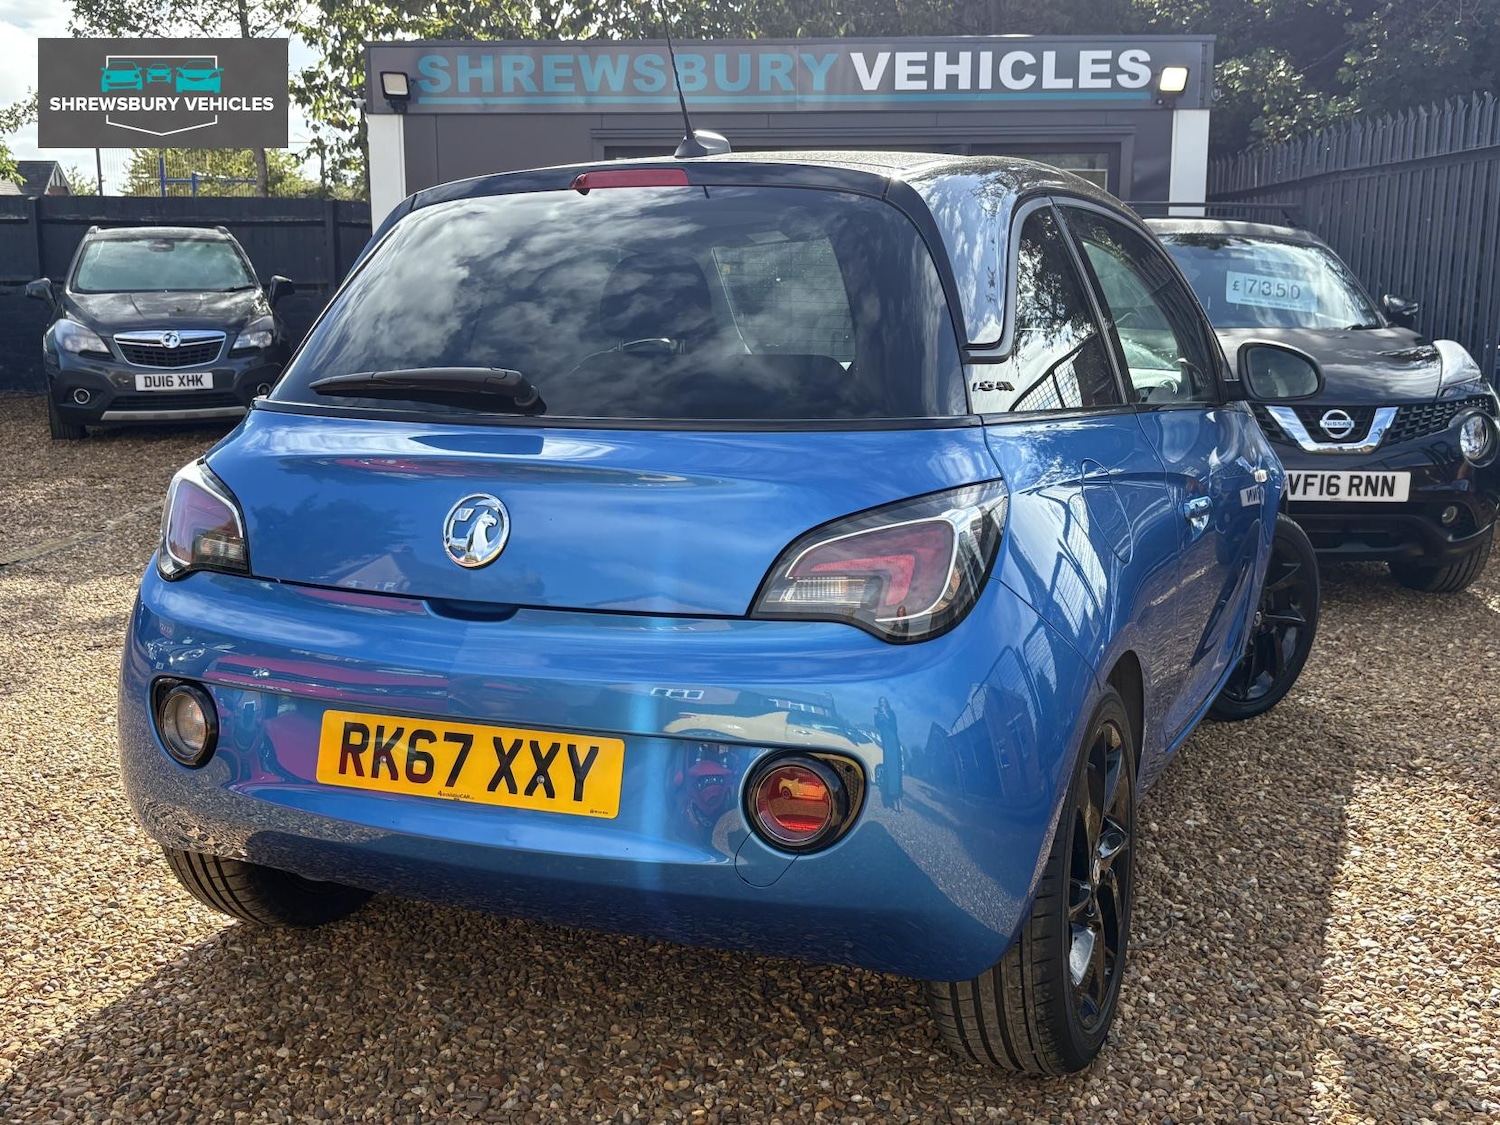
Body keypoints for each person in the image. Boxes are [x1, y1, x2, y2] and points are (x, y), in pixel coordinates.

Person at [873, 697, 903, 811]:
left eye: (884, 702)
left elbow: (895, 727)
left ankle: (900, 799)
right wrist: (876, 715)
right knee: (889, 769)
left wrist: (885, 715)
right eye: (880, 703)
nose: (882, 705)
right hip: (885, 742)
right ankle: (893, 799)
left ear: (886, 703)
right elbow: (877, 726)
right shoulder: (878, 713)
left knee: (896, 769)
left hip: (893, 740)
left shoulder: (891, 713)